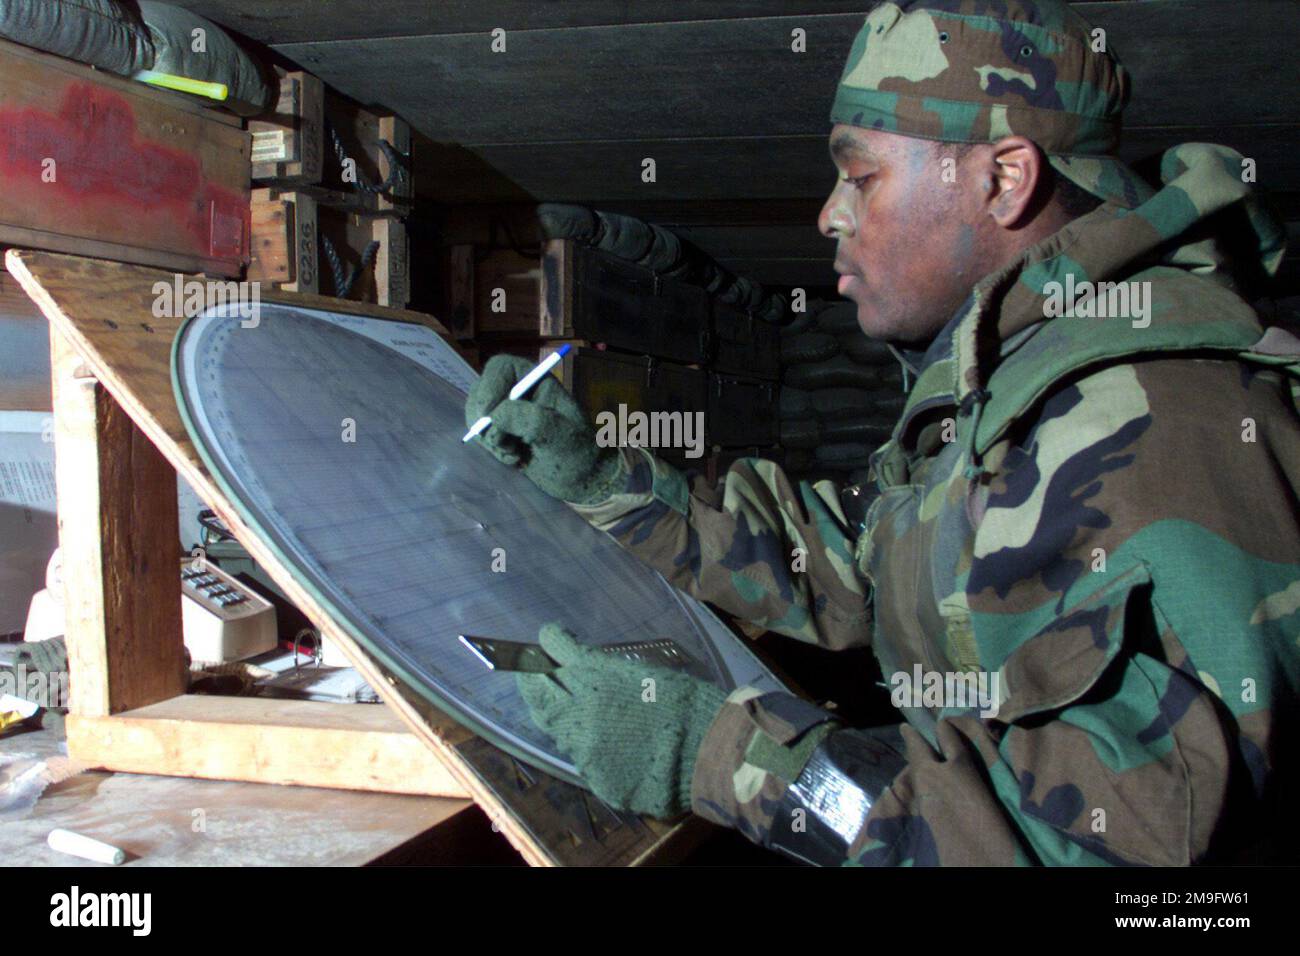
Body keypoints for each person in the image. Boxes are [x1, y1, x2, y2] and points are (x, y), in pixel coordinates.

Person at [465, 0, 1298, 865]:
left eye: (859, 177)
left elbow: (1124, 853)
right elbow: (858, 561)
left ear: (1002, 179)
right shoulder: (1016, 387)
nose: (829, 216)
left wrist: (721, 754)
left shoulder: (1167, 415)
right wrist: (605, 478)